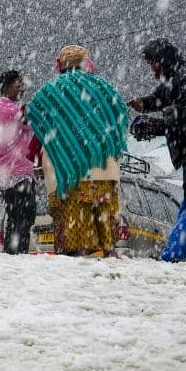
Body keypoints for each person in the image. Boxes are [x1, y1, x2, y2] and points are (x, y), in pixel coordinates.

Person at [26, 45, 128, 258]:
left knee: (75, 233)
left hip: (65, 171)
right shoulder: (102, 87)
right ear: (86, 63)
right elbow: (121, 113)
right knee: (105, 228)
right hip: (103, 168)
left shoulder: (50, 91)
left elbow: (33, 114)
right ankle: (109, 254)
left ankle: (79, 259)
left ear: (61, 65)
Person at [128, 37, 186, 263]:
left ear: (165, 60)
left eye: (154, 64)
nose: (152, 70)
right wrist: (144, 104)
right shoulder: (176, 80)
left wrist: (154, 125)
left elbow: (184, 119)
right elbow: (161, 98)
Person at [0, 70, 41, 254]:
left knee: (13, 216)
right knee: (24, 218)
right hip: (21, 172)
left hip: (4, 176)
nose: (22, 89)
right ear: (9, 86)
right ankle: (17, 254)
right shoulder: (15, 110)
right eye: (19, 85)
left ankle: (11, 252)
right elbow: (33, 124)